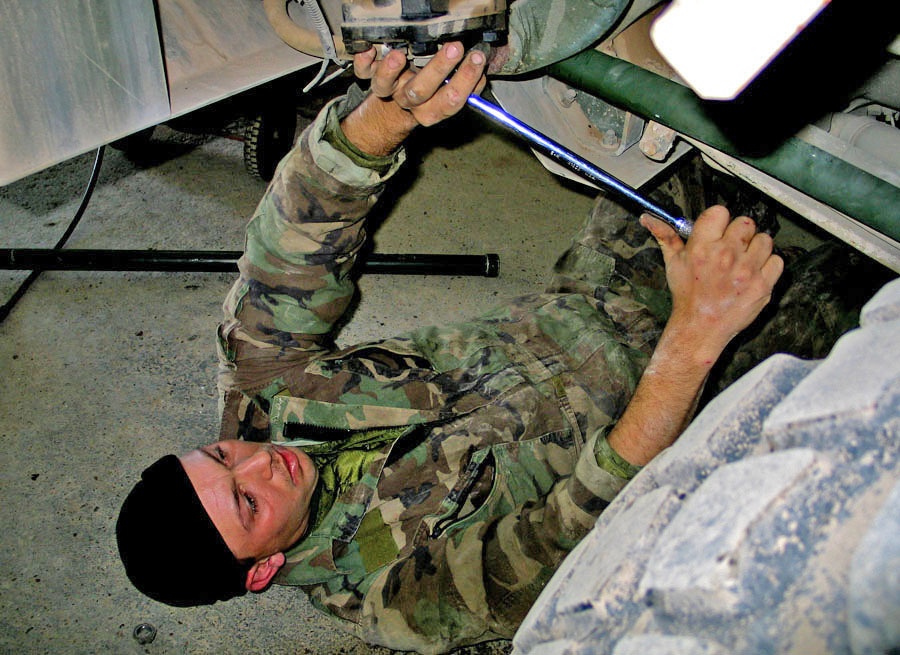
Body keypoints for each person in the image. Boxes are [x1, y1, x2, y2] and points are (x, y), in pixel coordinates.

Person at [116, 43, 786, 653]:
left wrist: (386, 116)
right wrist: (695, 340)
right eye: (248, 503)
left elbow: (290, 243)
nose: (265, 463)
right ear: (260, 569)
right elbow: (576, 531)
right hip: (706, 401)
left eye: (222, 454)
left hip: (603, 285)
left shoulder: (264, 392)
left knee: (698, 84)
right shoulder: (393, 599)